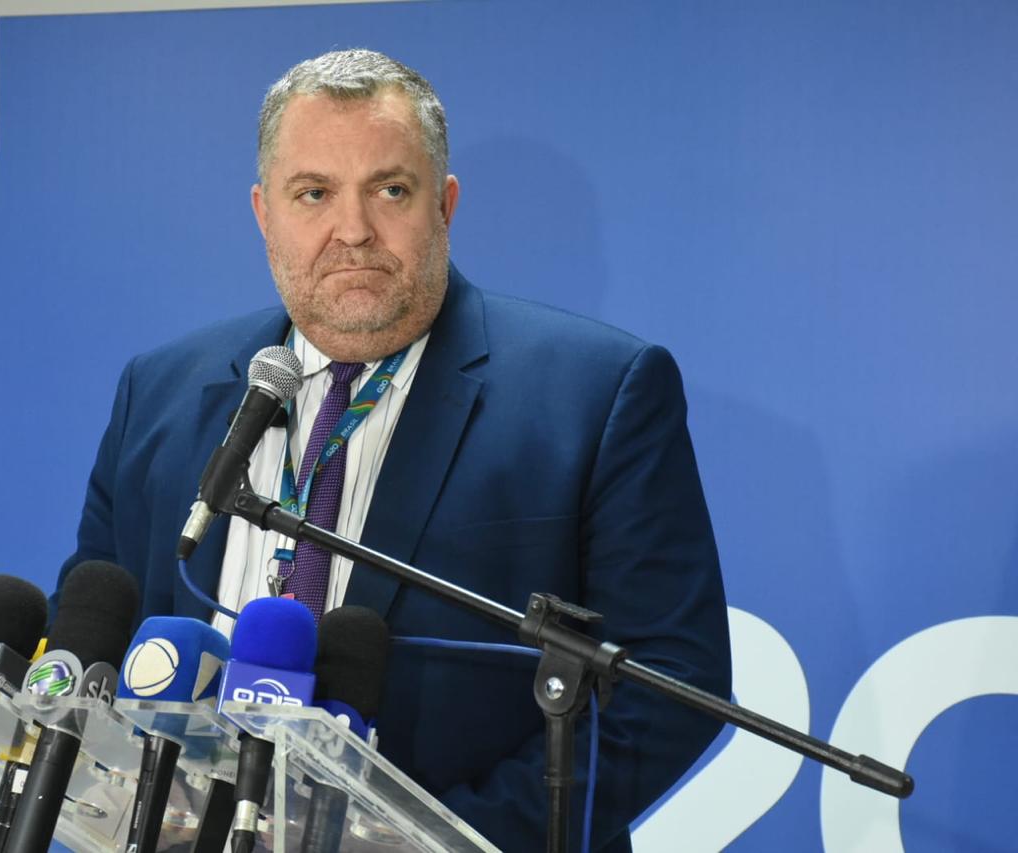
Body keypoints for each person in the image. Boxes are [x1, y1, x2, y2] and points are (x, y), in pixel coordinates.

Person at [58, 49, 731, 851]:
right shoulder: (159, 392)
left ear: (444, 204)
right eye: (314, 193)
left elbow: (669, 687)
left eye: (390, 190)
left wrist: (431, 842)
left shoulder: (595, 393)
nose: (353, 231)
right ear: (264, 213)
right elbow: (92, 636)